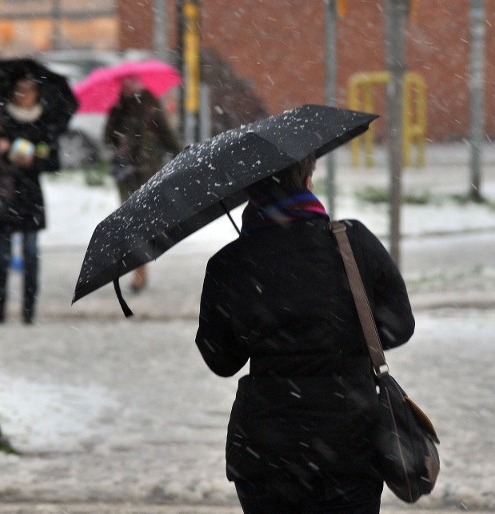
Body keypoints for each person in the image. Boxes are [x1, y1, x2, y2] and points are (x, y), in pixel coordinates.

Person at [195, 154, 415, 513]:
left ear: (249, 190)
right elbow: (399, 327)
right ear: (309, 178)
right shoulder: (352, 242)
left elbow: (221, 360)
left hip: (265, 451)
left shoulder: (230, 263)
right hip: (349, 444)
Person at [0, 76, 62, 324]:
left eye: (29, 91)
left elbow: (54, 160)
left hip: (30, 196)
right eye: (19, 90)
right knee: (2, 256)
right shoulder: (1, 119)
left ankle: (29, 309)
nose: (24, 95)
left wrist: (35, 161)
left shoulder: (43, 121)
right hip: (5, 194)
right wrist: (3, 153)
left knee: (31, 255)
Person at [104, 75, 181, 292]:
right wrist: (115, 125)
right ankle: (139, 270)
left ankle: (140, 270)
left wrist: (183, 155)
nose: (127, 88)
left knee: (140, 226)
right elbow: (106, 138)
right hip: (125, 176)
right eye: (125, 85)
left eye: (132, 83)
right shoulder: (118, 110)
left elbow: (169, 138)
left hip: (146, 175)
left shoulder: (151, 108)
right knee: (130, 226)